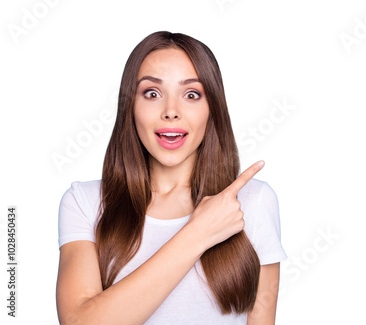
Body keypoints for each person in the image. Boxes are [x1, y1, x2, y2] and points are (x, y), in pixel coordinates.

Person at [55, 31, 287, 324]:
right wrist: (198, 233)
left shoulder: (252, 202)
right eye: (152, 93)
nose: (171, 112)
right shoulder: (85, 202)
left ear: (212, 109)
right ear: (130, 106)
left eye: (191, 95)